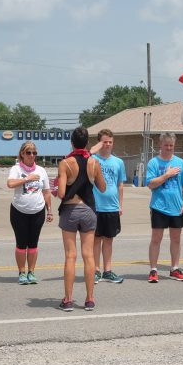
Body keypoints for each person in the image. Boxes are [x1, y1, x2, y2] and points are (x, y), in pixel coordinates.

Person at [56, 126, 106, 312]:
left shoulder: (65, 163)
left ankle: (68, 299)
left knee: (70, 255)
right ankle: (90, 299)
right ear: (86, 143)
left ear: (72, 143)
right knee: (89, 255)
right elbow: (102, 187)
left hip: (70, 210)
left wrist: (57, 189)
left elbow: (62, 193)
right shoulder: (94, 162)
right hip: (88, 210)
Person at [146, 132, 183, 283]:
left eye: (171, 145)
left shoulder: (180, 163)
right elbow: (150, 184)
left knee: (176, 239)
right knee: (156, 239)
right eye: (166, 145)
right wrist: (167, 175)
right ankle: (153, 270)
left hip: (177, 207)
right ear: (160, 145)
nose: (169, 148)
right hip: (159, 207)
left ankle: (174, 268)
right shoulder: (153, 163)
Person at [6, 141, 53, 285]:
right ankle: (21, 272)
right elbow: (10, 184)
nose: (31, 155)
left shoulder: (41, 170)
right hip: (19, 211)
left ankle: (31, 272)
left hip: (38, 211)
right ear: (22, 154)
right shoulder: (16, 168)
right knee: (21, 243)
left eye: (34, 153)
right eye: (28, 152)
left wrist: (49, 211)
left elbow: (46, 192)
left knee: (33, 243)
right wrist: (27, 178)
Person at [90, 128, 127, 284]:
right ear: (99, 143)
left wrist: (120, 205)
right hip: (95, 207)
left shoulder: (118, 162)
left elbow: (120, 185)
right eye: (104, 142)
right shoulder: (92, 159)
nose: (107, 145)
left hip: (112, 207)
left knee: (109, 240)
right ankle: (95, 271)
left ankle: (107, 271)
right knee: (96, 240)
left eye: (110, 142)